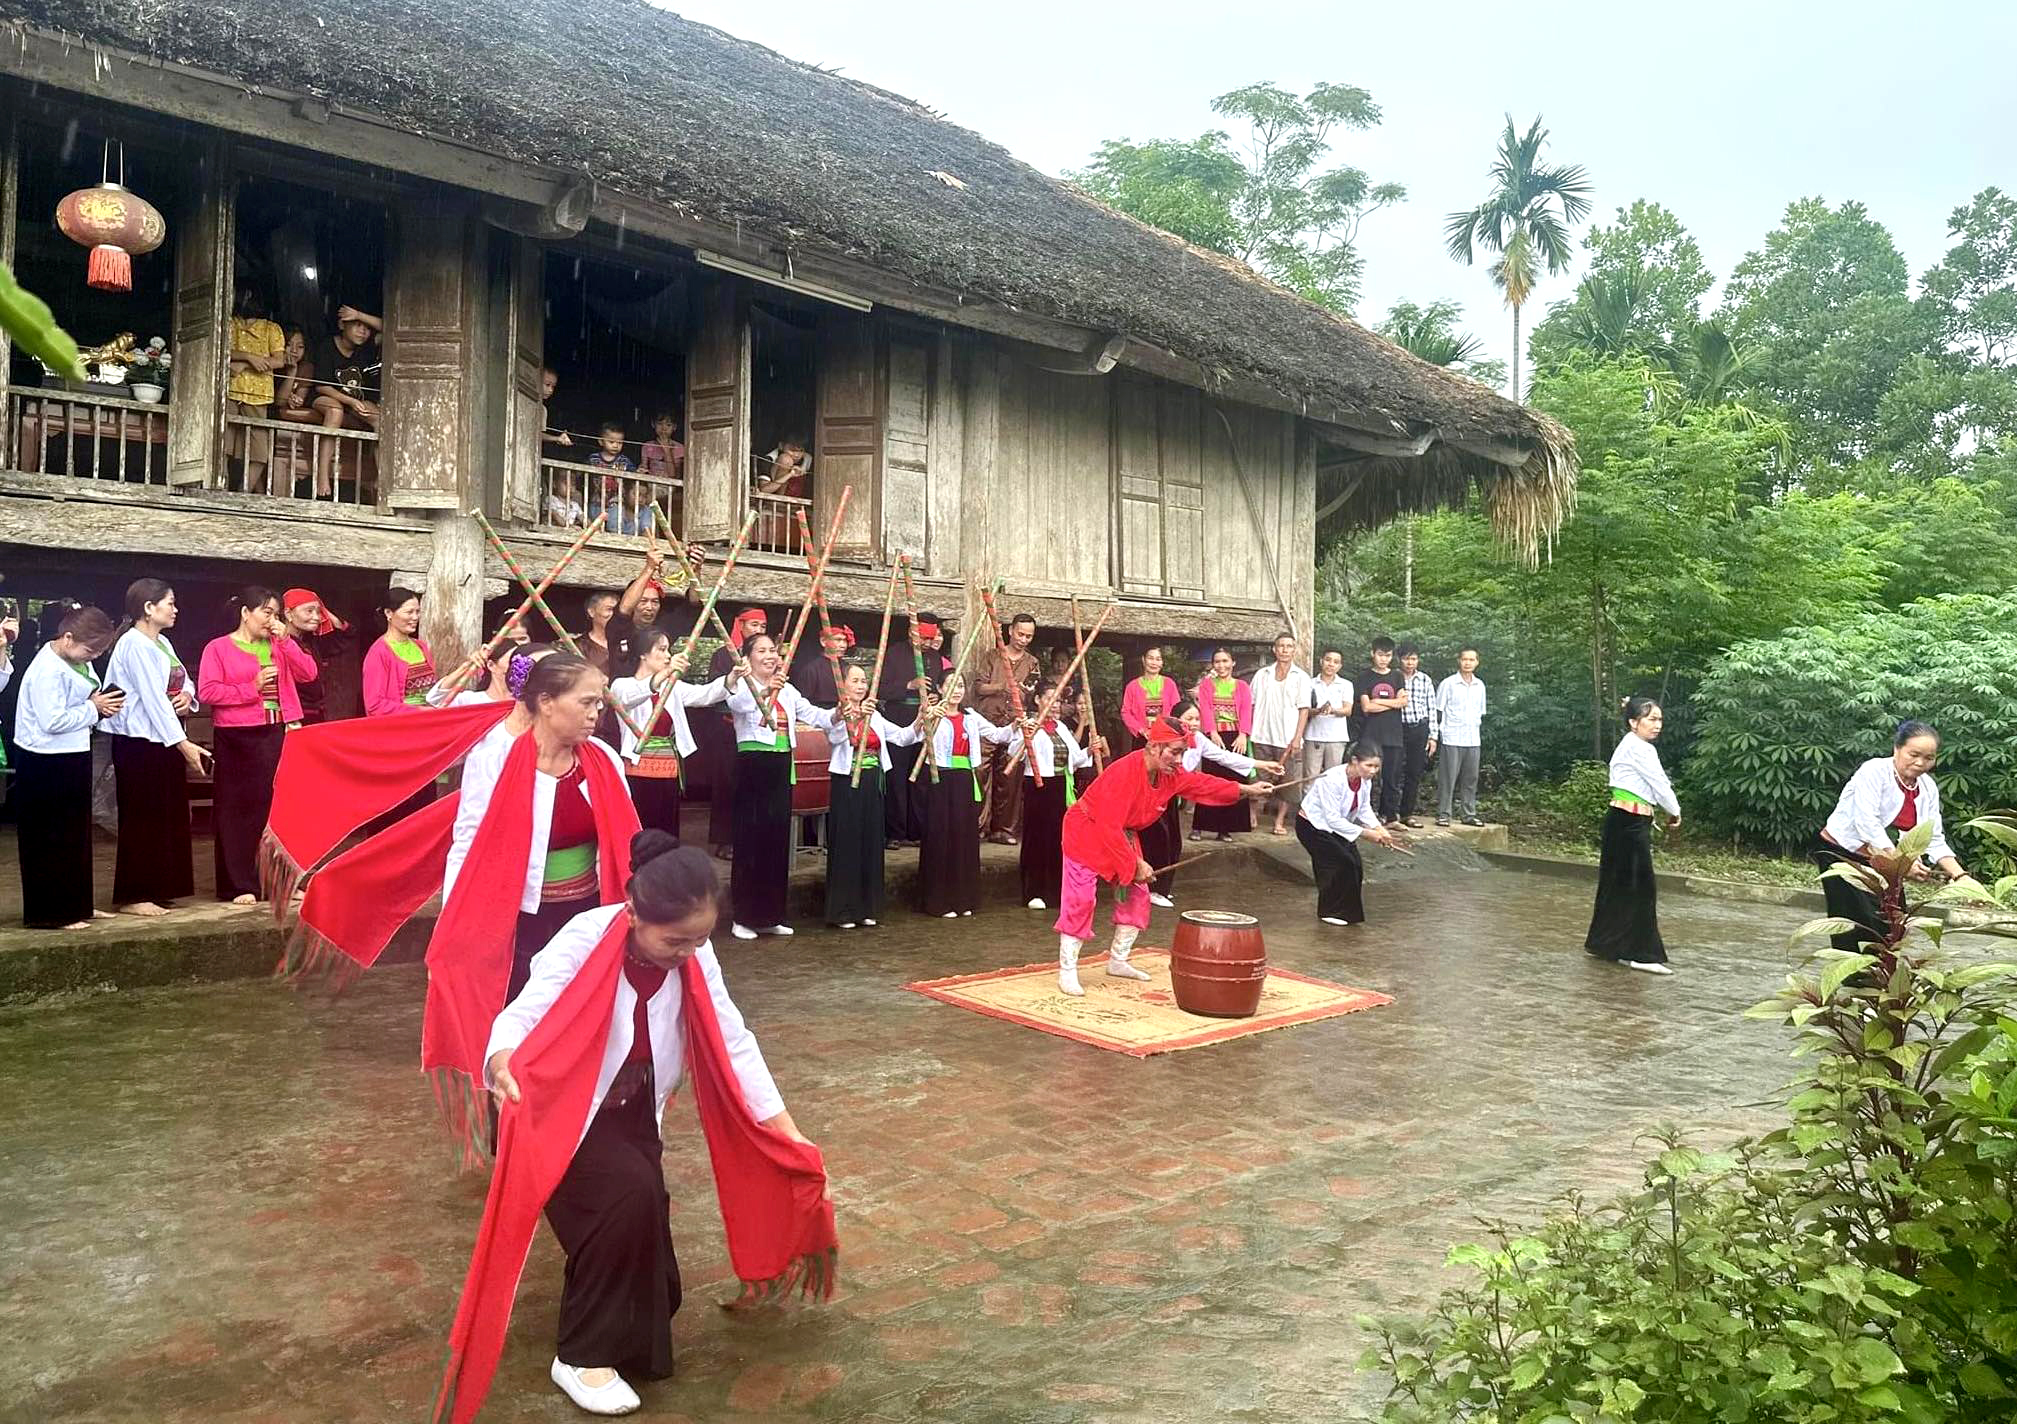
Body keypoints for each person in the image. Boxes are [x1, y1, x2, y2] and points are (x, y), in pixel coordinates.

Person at [448, 834, 832, 1422]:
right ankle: (581, 1355)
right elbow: (523, 1012)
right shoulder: (583, 938)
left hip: (632, 1111)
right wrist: (500, 1061)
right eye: (675, 940)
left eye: (700, 939)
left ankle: (625, 1334)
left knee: (645, 1207)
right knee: (627, 1197)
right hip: (555, 1110)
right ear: (633, 914)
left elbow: (734, 1042)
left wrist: (788, 1130)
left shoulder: (696, 956)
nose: (688, 952)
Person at [448, 653, 634, 1000]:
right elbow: (468, 840)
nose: (595, 713)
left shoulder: (604, 759)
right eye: (585, 702)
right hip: (517, 911)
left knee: (580, 1000)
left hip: (588, 909)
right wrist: (454, 920)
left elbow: (626, 838)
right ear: (546, 702)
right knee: (521, 1000)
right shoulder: (495, 759)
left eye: (599, 703)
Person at [1053, 718, 1275, 995]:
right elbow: (1107, 825)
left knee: (1138, 895)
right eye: (1175, 752)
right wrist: (1135, 862)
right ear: (1153, 747)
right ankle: (1067, 971)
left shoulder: (1170, 773)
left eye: (1183, 752)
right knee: (1081, 898)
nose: (1180, 759)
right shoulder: (1124, 773)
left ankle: (1118, 960)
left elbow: (1200, 783)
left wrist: (1247, 789)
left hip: (1121, 832)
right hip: (1087, 831)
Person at [198, 587, 317, 904]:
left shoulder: (278, 645)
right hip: (236, 735)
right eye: (266, 612)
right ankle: (238, 885)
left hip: (274, 730)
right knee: (236, 812)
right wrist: (251, 688)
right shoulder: (218, 648)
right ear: (245, 613)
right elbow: (208, 692)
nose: (271, 619)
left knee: (276, 810)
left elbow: (309, 673)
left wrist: (286, 640)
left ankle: (279, 883)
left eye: (276, 614)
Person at [1813, 721, 1972, 956]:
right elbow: (1866, 823)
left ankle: (1885, 983)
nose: (1920, 763)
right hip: (1843, 853)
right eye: (1914, 754)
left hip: (1884, 859)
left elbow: (1932, 836)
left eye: (1929, 758)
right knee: (1858, 924)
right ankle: (1855, 983)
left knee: (1894, 920)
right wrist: (1901, 863)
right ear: (1897, 749)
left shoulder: (1927, 787)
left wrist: (1961, 876)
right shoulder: (1874, 771)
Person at [104, 579, 209, 916]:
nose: (175, 609)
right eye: (169, 602)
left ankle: (161, 885)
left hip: (163, 736)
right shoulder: (134, 644)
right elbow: (151, 698)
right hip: (139, 740)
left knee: (167, 814)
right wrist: (184, 745)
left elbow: (183, 679)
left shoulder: (161, 641)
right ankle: (134, 894)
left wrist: (187, 696)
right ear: (148, 608)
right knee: (143, 816)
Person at [12, 605, 122, 928]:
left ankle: (78, 904)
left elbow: (89, 695)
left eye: (99, 652)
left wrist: (100, 704)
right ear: (68, 637)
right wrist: (94, 709)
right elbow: (53, 720)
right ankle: (51, 912)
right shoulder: (47, 668)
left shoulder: (78, 661)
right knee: (50, 840)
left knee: (76, 836)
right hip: (45, 761)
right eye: (90, 650)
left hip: (73, 753)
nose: (93, 657)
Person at [723, 632, 831, 939]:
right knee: (750, 840)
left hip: (782, 763)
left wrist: (838, 714)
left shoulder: (788, 690)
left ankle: (771, 914)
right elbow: (740, 706)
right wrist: (766, 689)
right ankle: (743, 916)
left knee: (776, 839)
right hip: (754, 762)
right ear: (748, 657)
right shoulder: (741, 685)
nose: (770, 655)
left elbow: (813, 714)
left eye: (773, 650)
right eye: (762, 651)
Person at [820, 661, 921, 928]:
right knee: (848, 843)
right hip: (847, 782)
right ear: (842, 685)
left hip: (872, 781)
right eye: (855, 680)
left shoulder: (875, 715)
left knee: (870, 842)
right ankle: (843, 910)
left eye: (864, 681)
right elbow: (837, 739)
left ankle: (867, 907)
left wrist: (922, 719)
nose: (861, 685)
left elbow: (902, 737)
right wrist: (853, 717)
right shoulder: (837, 714)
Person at [1585, 696, 1681, 975]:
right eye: (1651, 719)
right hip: (1629, 822)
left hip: (1623, 820)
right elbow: (1660, 784)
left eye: (1659, 719)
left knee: (1617, 884)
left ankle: (1606, 943)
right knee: (1640, 887)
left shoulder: (1632, 744)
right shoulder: (1640, 749)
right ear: (1633, 722)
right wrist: (1675, 811)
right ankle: (1639, 952)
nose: (1657, 725)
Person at [1152, 699, 1281, 906]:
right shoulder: (1165, 740)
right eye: (1189, 719)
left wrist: (1261, 763)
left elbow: (1223, 757)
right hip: (1157, 794)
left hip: (1177, 791)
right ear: (1176, 720)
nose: (1194, 723)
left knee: (1174, 843)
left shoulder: (1199, 739)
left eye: (1197, 719)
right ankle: (1153, 889)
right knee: (1159, 842)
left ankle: (1163, 889)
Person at [606, 630, 730, 845]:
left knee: (667, 825)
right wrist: (665, 673)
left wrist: (731, 678)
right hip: (638, 765)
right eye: (662, 649)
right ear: (643, 655)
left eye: (668, 650)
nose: (667, 655)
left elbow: (704, 695)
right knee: (642, 822)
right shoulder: (622, 685)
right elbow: (630, 697)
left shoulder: (672, 686)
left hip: (668, 765)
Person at [916, 674, 1015, 918]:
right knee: (940, 836)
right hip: (939, 777)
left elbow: (998, 735)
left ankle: (963, 899)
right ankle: (938, 901)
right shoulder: (934, 714)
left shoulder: (971, 718)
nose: (956, 691)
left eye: (960, 685)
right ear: (939, 688)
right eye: (950, 685)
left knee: (963, 837)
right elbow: (915, 738)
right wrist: (923, 719)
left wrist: (1017, 724)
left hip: (963, 779)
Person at [1012, 679, 1099, 910]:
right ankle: (1034, 891)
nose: (1055, 705)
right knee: (1036, 839)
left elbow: (1075, 759)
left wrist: (1090, 750)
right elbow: (1014, 753)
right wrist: (1026, 734)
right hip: (1038, 787)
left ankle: (1055, 891)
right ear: (1038, 700)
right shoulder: (1030, 724)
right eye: (1050, 699)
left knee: (1059, 840)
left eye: (1058, 700)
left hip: (1061, 786)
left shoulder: (1060, 727)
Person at [1296, 742, 1397, 926]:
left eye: (1376, 767)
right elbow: (1332, 818)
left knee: (1356, 865)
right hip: (1312, 826)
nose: (1373, 771)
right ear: (1354, 761)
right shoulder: (1332, 779)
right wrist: (1366, 833)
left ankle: (1348, 912)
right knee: (1339, 863)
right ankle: (1329, 910)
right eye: (1369, 765)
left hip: (1337, 826)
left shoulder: (1364, 780)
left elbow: (1363, 808)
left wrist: (1380, 830)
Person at [703, 607, 768, 859]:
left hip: (754, 730)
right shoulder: (723, 655)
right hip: (728, 725)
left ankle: (750, 835)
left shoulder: (764, 658)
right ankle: (725, 840)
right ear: (740, 626)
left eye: (762, 627)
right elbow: (717, 691)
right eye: (753, 625)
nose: (758, 630)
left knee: (751, 782)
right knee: (727, 782)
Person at [878, 613, 941, 846]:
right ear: (911, 632)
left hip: (925, 721)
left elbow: (939, 685)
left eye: (930, 639)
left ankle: (917, 831)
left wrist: (935, 696)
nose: (926, 643)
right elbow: (879, 689)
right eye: (923, 638)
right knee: (897, 777)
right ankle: (895, 832)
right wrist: (909, 685)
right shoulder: (894, 653)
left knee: (921, 777)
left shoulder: (934, 657)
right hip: (898, 718)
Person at [976, 611, 1039, 845]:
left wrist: (1028, 692)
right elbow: (978, 688)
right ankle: (978, 826)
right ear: (1010, 630)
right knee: (980, 772)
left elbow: (1032, 695)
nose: (1023, 639)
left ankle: (1004, 829)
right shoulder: (993, 656)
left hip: (1015, 722)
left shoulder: (1032, 662)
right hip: (988, 719)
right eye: (1020, 633)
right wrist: (1004, 685)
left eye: (1028, 636)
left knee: (1010, 776)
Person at [310, 305, 382, 497]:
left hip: (354, 401)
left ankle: (382, 478)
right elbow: (321, 386)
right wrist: (349, 402)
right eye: (357, 325)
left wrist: (360, 314)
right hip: (326, 398)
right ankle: (322, 475)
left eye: (366, 327)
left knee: (379, 418)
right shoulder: (327, 346)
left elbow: (389, 328)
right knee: (335, 411)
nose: (363, 331)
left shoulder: (365, 349)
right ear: (342, 325)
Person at [1248, 632, 1312, 838]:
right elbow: (1251, 704)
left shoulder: (1301, 677)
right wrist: (1249, 731)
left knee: (1288, 781)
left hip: (1287, 739)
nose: (1285, 650)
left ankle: (1279, 821)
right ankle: (1252, 815)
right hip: (1261, 735)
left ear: (1294, 650)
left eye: (1289, 646)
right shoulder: (1262, 674)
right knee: (1258, 779)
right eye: (1281, 646)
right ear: (1274, 650)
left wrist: (1297, 737)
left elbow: (1304, 709)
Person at [226, 286, 287, 494]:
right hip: (230, 391)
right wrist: (248, 356)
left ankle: (243, 491)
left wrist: (244, 364)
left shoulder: (271, 328)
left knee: (259, 451)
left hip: (258, 395)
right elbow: (219, 347)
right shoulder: (229, 323)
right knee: (224, 444)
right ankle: (220, 487)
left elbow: (279, 361)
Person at [1191, 648, 1253, 842]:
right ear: (1213, 665)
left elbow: (1245, 711)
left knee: (1232, 782)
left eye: (1225, 661)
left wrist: (1243, 734)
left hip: (1236, 737)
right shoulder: (1207, 685)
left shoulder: (1242, 686)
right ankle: (1199, 826)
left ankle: (1225, 828)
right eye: (1217, 662)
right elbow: (1206, 710)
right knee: (1209, 781)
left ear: (1233, 663)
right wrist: (1212, 732)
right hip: (1213, 737)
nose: (1221, 665)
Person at [1355, 638, 1408, 825]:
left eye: (1387, 655)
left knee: (1392, 777)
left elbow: (1403, 702)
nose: (1384, 659)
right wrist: (1391, 703)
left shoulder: (1397, 676)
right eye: (1380, 654)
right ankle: (1365, 815)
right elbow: (1366, 707)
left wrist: (1378, 701)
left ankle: (1391, 816)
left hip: (1394, 734)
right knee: (1367, 777)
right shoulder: (1364, 677)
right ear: (1372, 654)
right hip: (1371, 734)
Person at [1432, 649, 1487, 828]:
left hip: (1473, 738)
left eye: (1472, 660)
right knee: (1448, 778)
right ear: (1459, 661)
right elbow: (1438, 711)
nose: (1468, 663)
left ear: (1477, 662)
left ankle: (1468, 814)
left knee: (1471, 778)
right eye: (1465, 659)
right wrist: (1439, 734)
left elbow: (1480, 711)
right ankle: (1443, 814)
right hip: (1452, 737)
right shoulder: (1448, 684)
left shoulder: (1480, 685)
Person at [280, 587, 351, 725]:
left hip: (315, 715)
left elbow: (346, 634)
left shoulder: (312, 642)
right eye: (309, 611)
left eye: (319, 612)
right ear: (288, 614)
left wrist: (320, 607)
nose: (317, 617)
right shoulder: (279, 643)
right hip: (291, 718)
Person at [362, 587, 435, 715]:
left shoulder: (421, 646)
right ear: (389, 613)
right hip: (401, 727)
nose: (415, 617)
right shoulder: (379, 653)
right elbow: (374, 705)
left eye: (418, 612)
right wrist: (417, 711)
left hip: (427, 723)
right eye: (409, 612)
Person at [1396, 645, 1436, 830]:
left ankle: (1407, 814)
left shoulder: (1425, 679)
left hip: (1419, 729)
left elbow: (1431, 709)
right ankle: (1388, 813)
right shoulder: (1393, 677)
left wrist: (1432, 736)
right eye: (1406, 659)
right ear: (1399, 659)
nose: (1410, 662)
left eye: (1413, 659)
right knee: (1393, 771)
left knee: (1414, 772)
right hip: (1397, 728)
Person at [1304, 650, 1355, 788]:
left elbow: (1348, 710)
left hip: (1336, 737)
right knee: (1310, 778)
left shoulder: (1346, 684)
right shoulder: (1309, 683)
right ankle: (1308, 809)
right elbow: (1304, 710)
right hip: (1313, 735)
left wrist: (1332, 710)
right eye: (1328, 660)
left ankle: (1329, 809)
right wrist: (1318, 711)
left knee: (1333, 779)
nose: (1331, 664)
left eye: (1336, 662)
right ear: (1321, 661)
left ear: (1340, 666)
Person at [1119, 646, 1179, 749]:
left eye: (1158, 659)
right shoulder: (1132, 686)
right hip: (1142, 737)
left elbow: (1177, 710)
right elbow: (1126, 712)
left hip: (1166, 736)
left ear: (1162, 663)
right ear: (1143, 660)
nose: (1154, 663)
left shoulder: (1169, 684)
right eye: (1150, 658)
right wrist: (1140, 729)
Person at [580, 591, 620, 677]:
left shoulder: (626, 641)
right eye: (609, 609)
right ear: (591, 612)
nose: (613, 614)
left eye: (616, 611)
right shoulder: (579, 646)